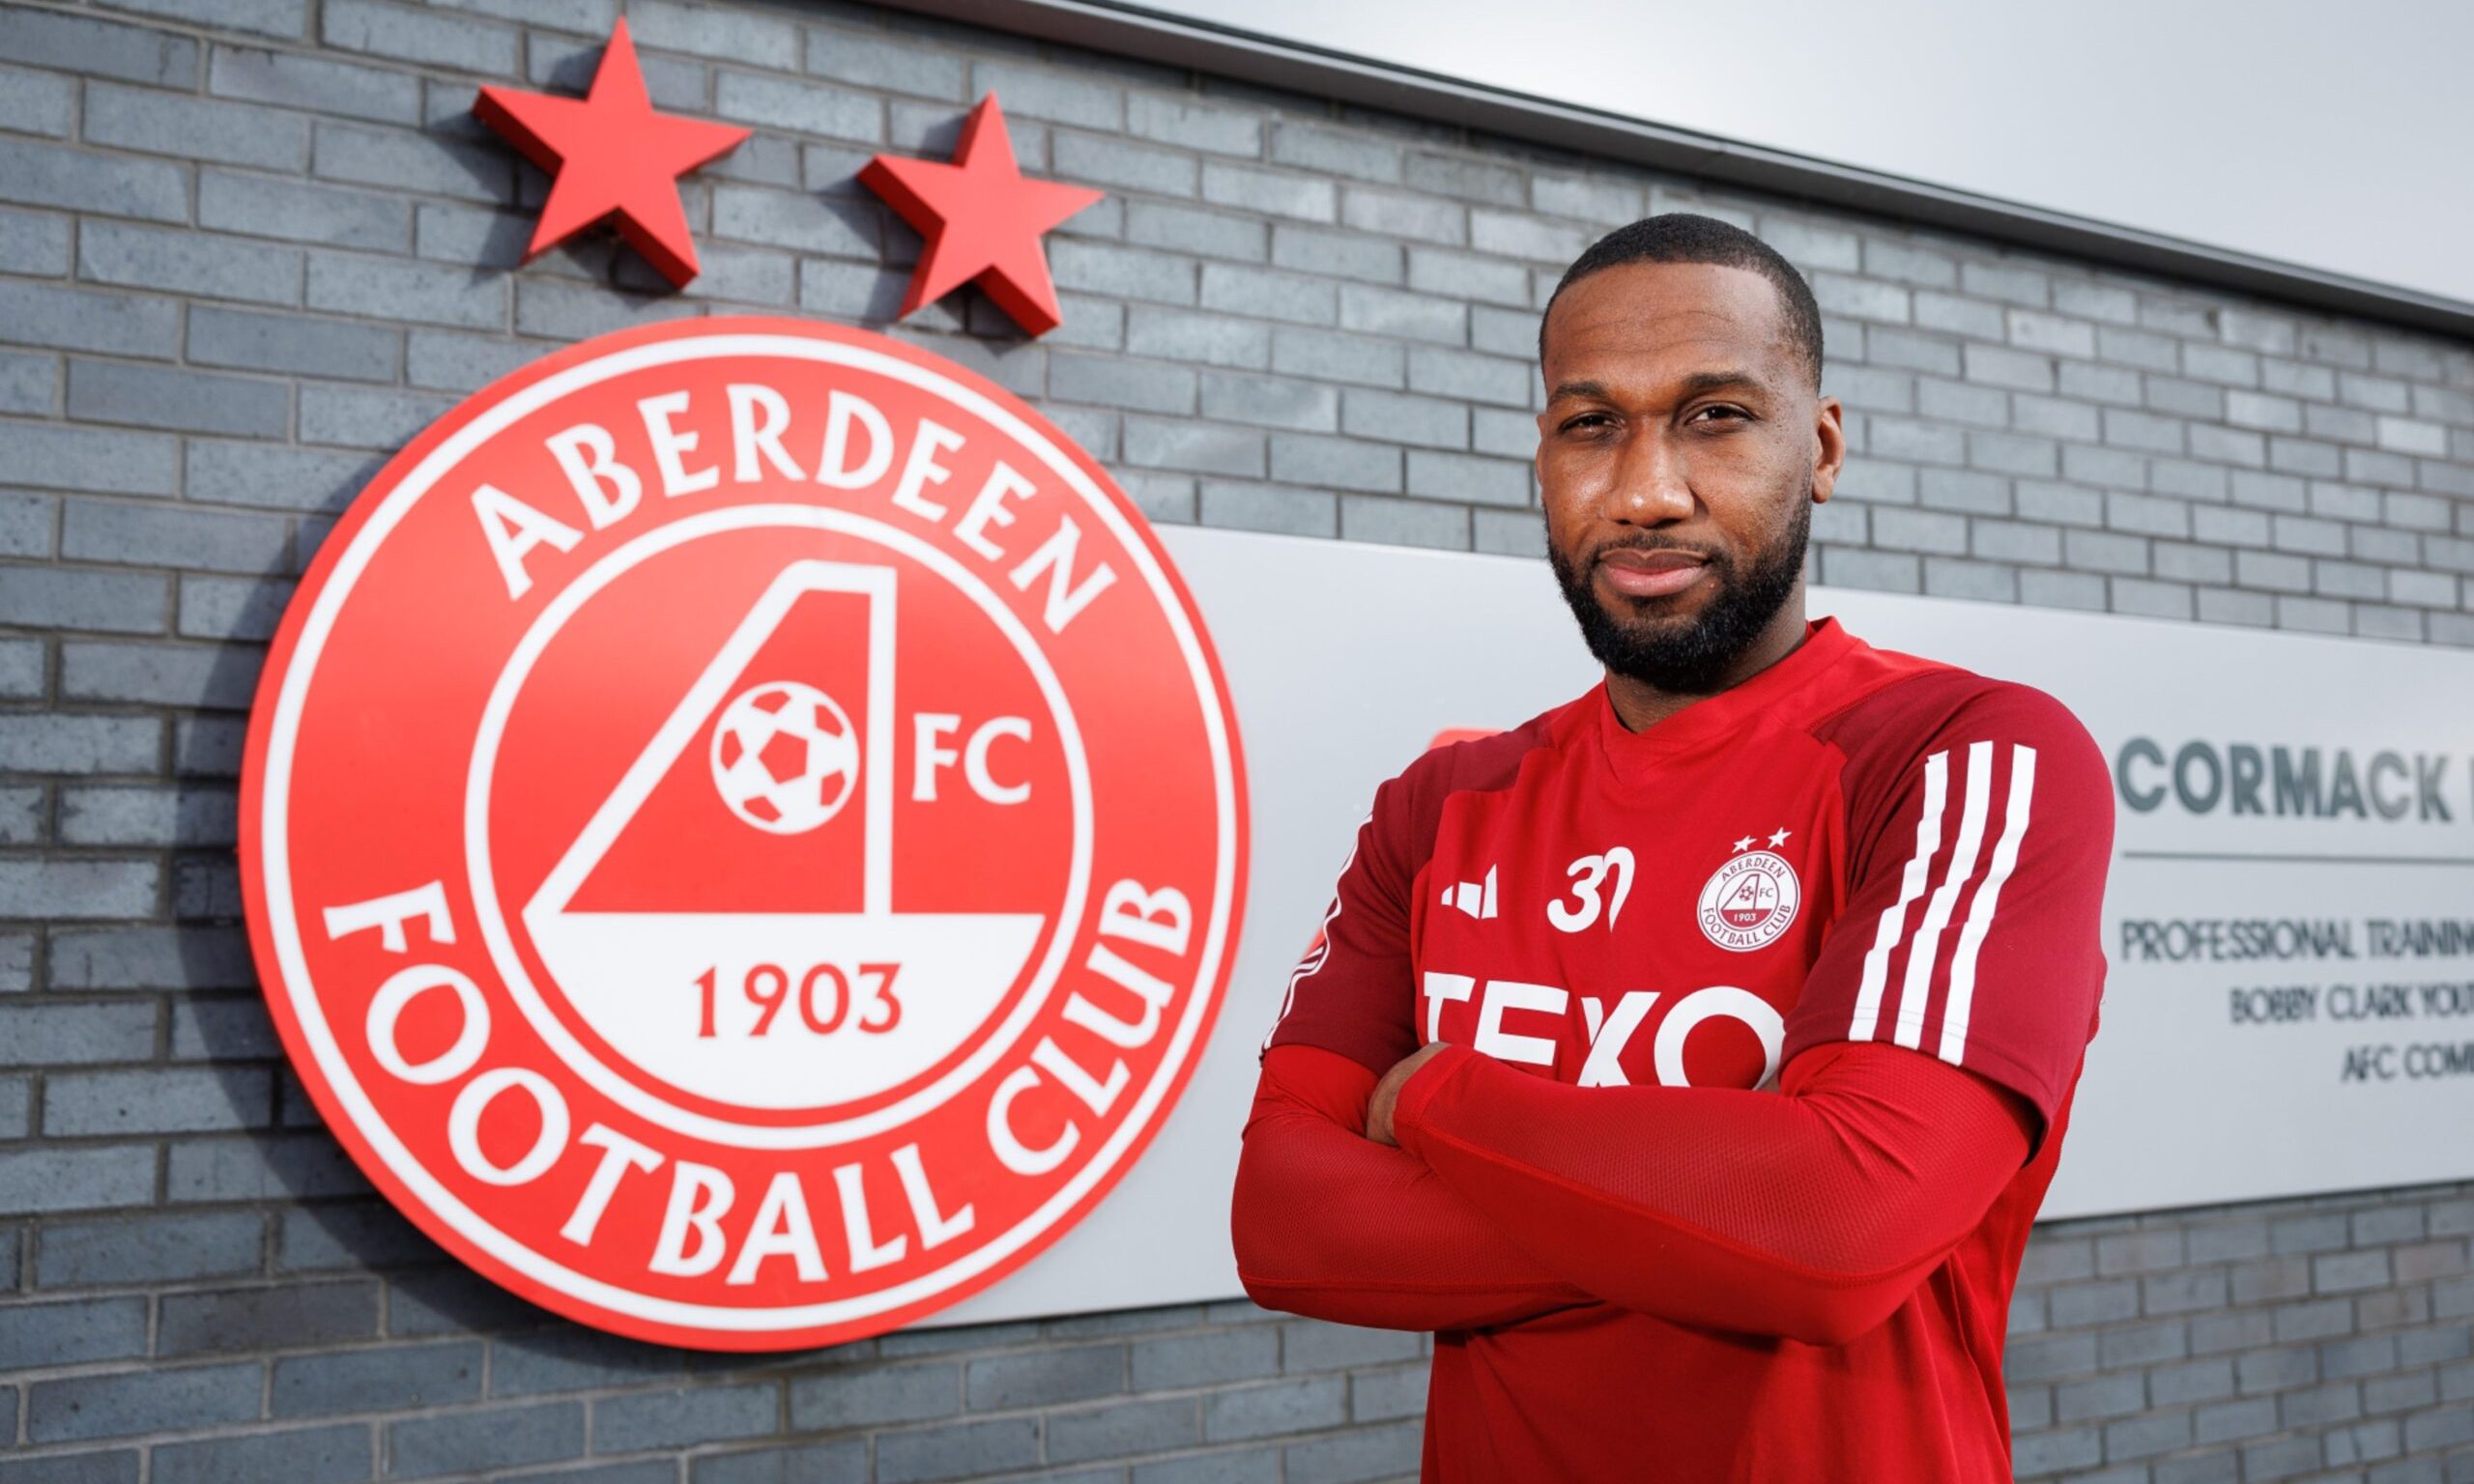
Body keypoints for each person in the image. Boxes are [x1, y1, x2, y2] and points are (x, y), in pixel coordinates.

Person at [1229, 213, 2114, 1482]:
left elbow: (1836, 1227)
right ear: (1542, 456)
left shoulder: (1965, 754)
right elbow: (1286, 1223)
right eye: (1592, 424)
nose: (1645, 491)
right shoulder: (1439, 804)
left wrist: (1427, 1096)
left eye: (1714, 415)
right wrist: (1716, 1217)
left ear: (1818, 448)